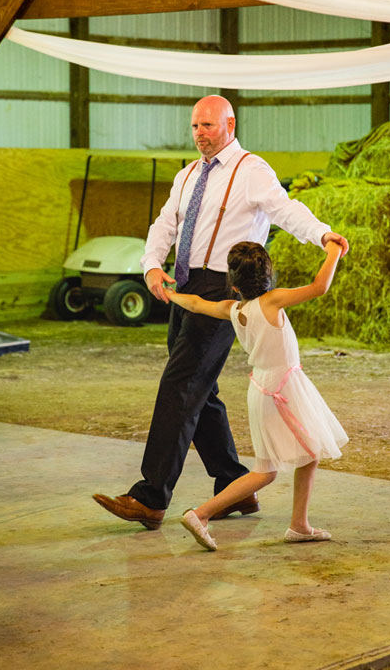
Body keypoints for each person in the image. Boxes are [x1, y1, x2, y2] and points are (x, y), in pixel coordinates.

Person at [93, 95, 349, 530]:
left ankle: (151, 497)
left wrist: (323, 235)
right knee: (199, 390)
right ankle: (236, 486)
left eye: (208, 125)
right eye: (195, 127)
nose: (200, 134)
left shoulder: (252, 170)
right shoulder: (187, 174)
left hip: (222, 285)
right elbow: (165, 224)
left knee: (181, 385)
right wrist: (152, 264)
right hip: (184, 283)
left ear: (230, 124)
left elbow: (286, 211)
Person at [169, 240, 349, 551]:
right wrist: (334, 252)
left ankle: (297, 526)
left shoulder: (233, 308)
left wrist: (170, 294)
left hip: (263, 388)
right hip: (283, 389)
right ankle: (202, 514)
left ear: (234, 285)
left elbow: (197, 303)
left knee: (286, 463)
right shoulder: (273, 301)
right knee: (279, 466)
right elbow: (320, 287)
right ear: (268, 276)